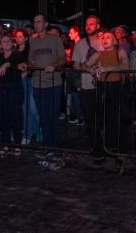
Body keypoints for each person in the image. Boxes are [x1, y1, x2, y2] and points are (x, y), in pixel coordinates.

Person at [85, 30, 130, 159]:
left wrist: (107, 68)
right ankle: (103, 149)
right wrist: (90, 69)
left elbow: (125, 66)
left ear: (114, 41)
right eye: (103, 37)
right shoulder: (98, 53)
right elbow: (84, 65)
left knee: (117, 119)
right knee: (102, 119)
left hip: (116, 88)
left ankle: (119, 150)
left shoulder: (119, 52)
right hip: (102, 87)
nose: (105, 39)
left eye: (108, 37)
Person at [29, 14, 66, 148]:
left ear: (46, 24)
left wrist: (54, 65)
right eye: (34, 22)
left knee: (53, 115)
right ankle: (47, 144)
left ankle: (55, 145)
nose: (36, 24)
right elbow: (31, 60)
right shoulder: (33, 41)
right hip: (37, 83)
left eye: (39, 21)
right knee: (43, 115)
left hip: (53, 83)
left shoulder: (55, 39)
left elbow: (63, 59)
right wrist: (26, 65)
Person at [73, 15, 105, 158]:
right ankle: (96, 148)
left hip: (103, 86)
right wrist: (85, 72)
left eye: (92, 24)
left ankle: (106, 146)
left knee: (103, 118)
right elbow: (75, 65)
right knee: (90, 119)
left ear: (98, 26)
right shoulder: (80, 44)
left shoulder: (104, 41)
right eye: (87, 24)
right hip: (86, 87)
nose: (88, 26)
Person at [0, 34, 26, 157]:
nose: (6, 43)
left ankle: (17, 144)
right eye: (3, 41)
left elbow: (18, 61)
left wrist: (6, 64)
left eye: (8, 41)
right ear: (0, 44)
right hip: (0, 89)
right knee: (2, 116)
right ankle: (6, 143)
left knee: (15, 116)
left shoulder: (18, 54)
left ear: (12, 43)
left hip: (14, 88)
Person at [14, 29, 37, 144]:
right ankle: (24, 130)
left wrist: (25, 73)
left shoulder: (30, 50)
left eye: (20, 36)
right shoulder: (14, 51)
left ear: (26, 38)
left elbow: (32, 64)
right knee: (18, 107)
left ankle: (28, 133)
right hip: (16, 81)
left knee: (27, 107)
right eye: (17, 36)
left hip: (27, 80)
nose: (18, 38)